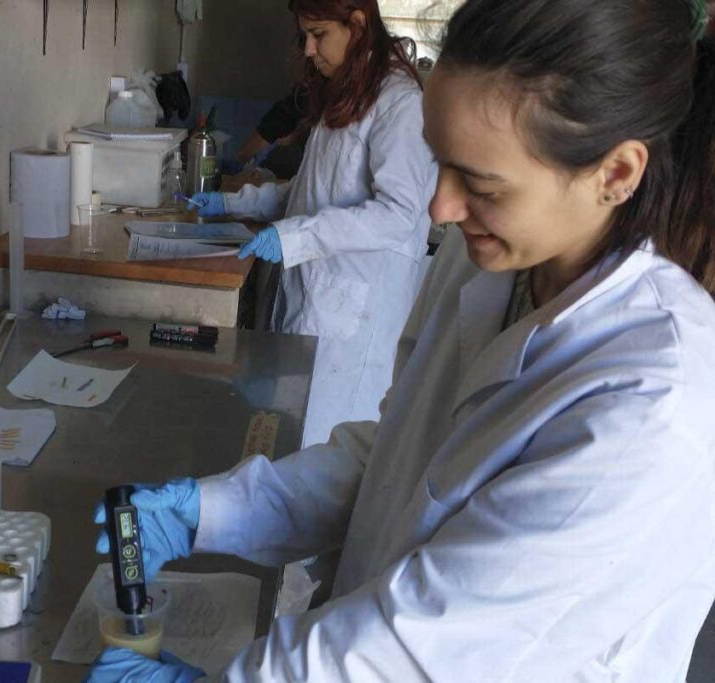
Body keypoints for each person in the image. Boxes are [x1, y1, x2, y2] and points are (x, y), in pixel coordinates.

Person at [86, 0, 715, 680]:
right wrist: (215, 511)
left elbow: (425, 650)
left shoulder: (654, 403)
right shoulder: (484, 262)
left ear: (615, 174)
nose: (440, 207)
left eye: (481, 183)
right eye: (441, 161)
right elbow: (397, 455)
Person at [193, 0, 437, 448]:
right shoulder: (347, 90)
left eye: (319, 34)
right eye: (304, 35)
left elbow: (398, 215)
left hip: (350, 320)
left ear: (357, 25)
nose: (308, 49)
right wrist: (233, 201)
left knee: (323, 447)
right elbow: (311, 190)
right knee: (287, 441)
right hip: (312, 301)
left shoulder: (399, 103)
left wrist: (295, 237)